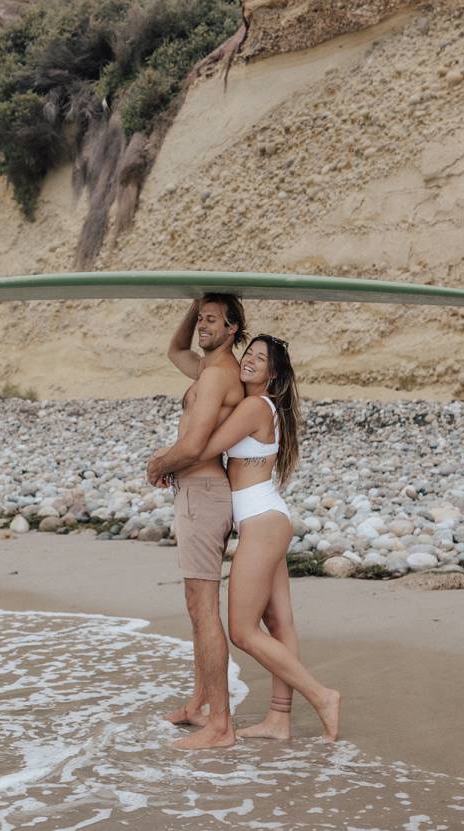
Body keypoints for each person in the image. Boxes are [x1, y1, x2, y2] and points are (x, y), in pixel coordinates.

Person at [154, 334, 341, 743]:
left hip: (260, 522)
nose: (250, 360)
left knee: (243, 631)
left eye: (260, 358)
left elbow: (204, 446)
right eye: (249, 353)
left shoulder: (255, 406)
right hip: (268, 517)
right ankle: (279, 718)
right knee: (278, 622)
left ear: (272, 374)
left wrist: (165, 462)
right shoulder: (262, 405)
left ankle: (321, 695)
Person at [145, 295, 247, 749]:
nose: (203, 326)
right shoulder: (208, 370)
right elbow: (175, 350)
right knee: (195, 605)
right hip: (196, 494)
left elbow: (195, 444)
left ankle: (220, 725)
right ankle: (200, 703)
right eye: (201, 319)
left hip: (204, 495)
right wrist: (196, 303)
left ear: (232, 328)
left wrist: (158, 464)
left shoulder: (219, 376)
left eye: (212, 320)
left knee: (205, 609)